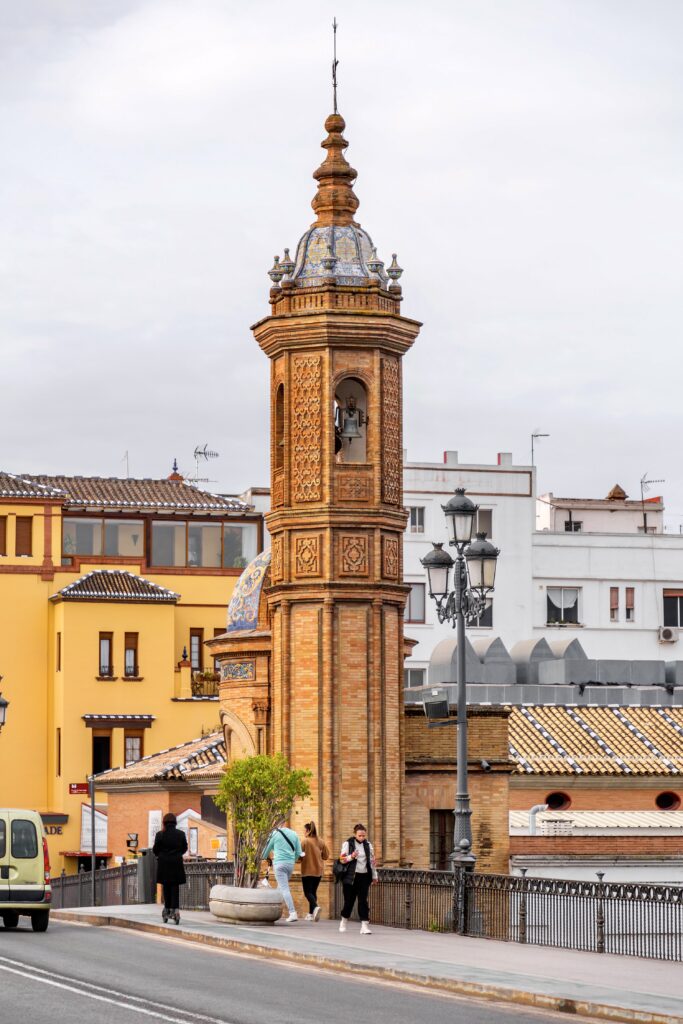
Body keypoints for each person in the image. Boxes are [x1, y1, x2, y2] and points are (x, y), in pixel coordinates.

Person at [338, 823, 378, 935]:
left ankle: (364, 926)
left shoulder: (368, 845)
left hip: (364, 876)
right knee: (349, 902)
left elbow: (372, 862)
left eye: (363, 835)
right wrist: (352, 856)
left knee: (363, 901)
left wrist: (375, 876)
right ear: (355, 834)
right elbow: (342, 860)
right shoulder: (348, 844)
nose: (362, 837)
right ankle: (344, 921)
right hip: (351, 877)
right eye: (360, 835)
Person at [262, 821, 303, 923]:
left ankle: (293, 913)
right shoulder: (294, 834)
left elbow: (264, 852)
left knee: (284, 889)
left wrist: (267, 856)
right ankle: (273, 911)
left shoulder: (274, 834)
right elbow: (299, 852)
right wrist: (292, 860)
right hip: (290, 864)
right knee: (280, 888)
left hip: (279, 864)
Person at [152, 812, 188, 925]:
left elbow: (155, 850)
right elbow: (184, 848)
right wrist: (177, 854)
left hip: (164, 864)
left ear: (164, 822)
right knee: (175, 886)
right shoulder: (181, 834)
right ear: (175, 823)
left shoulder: (160, 835)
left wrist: (162, 855)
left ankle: (167, 908)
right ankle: (175, 909)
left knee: (166, 886)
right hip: (176, 863)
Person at [300, 821, 329, 921]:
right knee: (313, 892)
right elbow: (326, 856)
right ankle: (311, 914)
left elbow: (299, 857)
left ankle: (316, 907)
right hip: (318, 871)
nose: (303, 833)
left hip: (307, 871)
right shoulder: (321, 841)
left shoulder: (305, 841)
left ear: (308, 831)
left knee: (307, 892)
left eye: (304, 831)